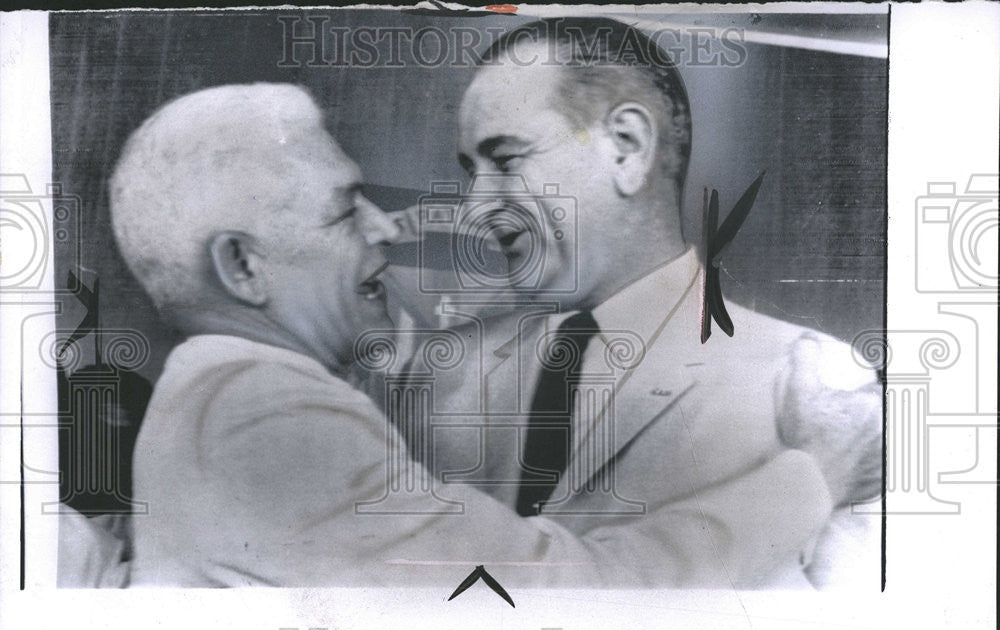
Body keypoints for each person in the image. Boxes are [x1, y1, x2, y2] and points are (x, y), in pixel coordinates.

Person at [105, 82, 836, 588]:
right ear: (242, 265)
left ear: (628, 149)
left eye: (509, 159)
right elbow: (546, 602)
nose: (387, 226)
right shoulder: (260, 414)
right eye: (344, 209)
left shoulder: (802, 366)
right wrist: (800, 486)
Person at [389, 18, 881, 589]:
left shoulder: (810, 381)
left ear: (627, 148)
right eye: (472, 171)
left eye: (505, 160)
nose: (476, 207)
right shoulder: (441, 380)